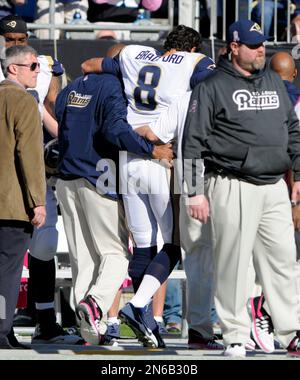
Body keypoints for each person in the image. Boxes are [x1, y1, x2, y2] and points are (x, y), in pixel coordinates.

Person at [82, 25, 215, 348]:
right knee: (172, 245)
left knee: (143, 246)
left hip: (128, 157)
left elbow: (89, 65)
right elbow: (215, 83)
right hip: (162, 159)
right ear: (192, 47)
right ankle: (139, 306)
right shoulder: (192, 63)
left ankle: (143, 322)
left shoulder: (133, 55)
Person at [182, 19, 300, 358]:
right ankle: (235, 334)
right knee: (232, 264)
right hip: (232, 183)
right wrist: (195, 191)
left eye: (262, 43)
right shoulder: (212, 86)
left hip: (274, 185)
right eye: (252, 44)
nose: (260, 49)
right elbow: (192, 142)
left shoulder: (274, 82)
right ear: (234, 47)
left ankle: (291, 330)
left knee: (283, 262)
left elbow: (292, 129)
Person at [55, 68, 173, 345]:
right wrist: (150, 149)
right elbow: (114, 129)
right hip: (99, 176)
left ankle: (90, 332)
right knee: (117, 255)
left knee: (83, 259)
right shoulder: (112, 86)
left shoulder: (70, 88)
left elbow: (60, 118)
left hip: (67, 178)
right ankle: (95, 304)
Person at [0, 14, 83, 345]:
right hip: (16, 176)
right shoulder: (17, 83)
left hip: (31, 171)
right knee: (8, 262)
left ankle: (45, 317)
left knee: (44, 245)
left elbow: (47, 114)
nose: (18, 44)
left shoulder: (38, 69)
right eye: (11, 40)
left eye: (22, 39)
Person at [247, 51, 300, 355]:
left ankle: (259, 313)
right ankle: (269, 314)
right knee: (285, 263)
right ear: (293, 74)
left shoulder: (256, 96)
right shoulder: (293, 100)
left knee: (256, 260)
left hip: (254, 183)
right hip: (283, 190)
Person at [0, 45, 46, 349]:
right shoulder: (23, 102)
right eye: (33, 65)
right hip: (12, 204)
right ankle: (1, 329)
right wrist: (38, 200)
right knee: (7, 272)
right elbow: (28, 155)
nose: (37, 71)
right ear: (12, 68)